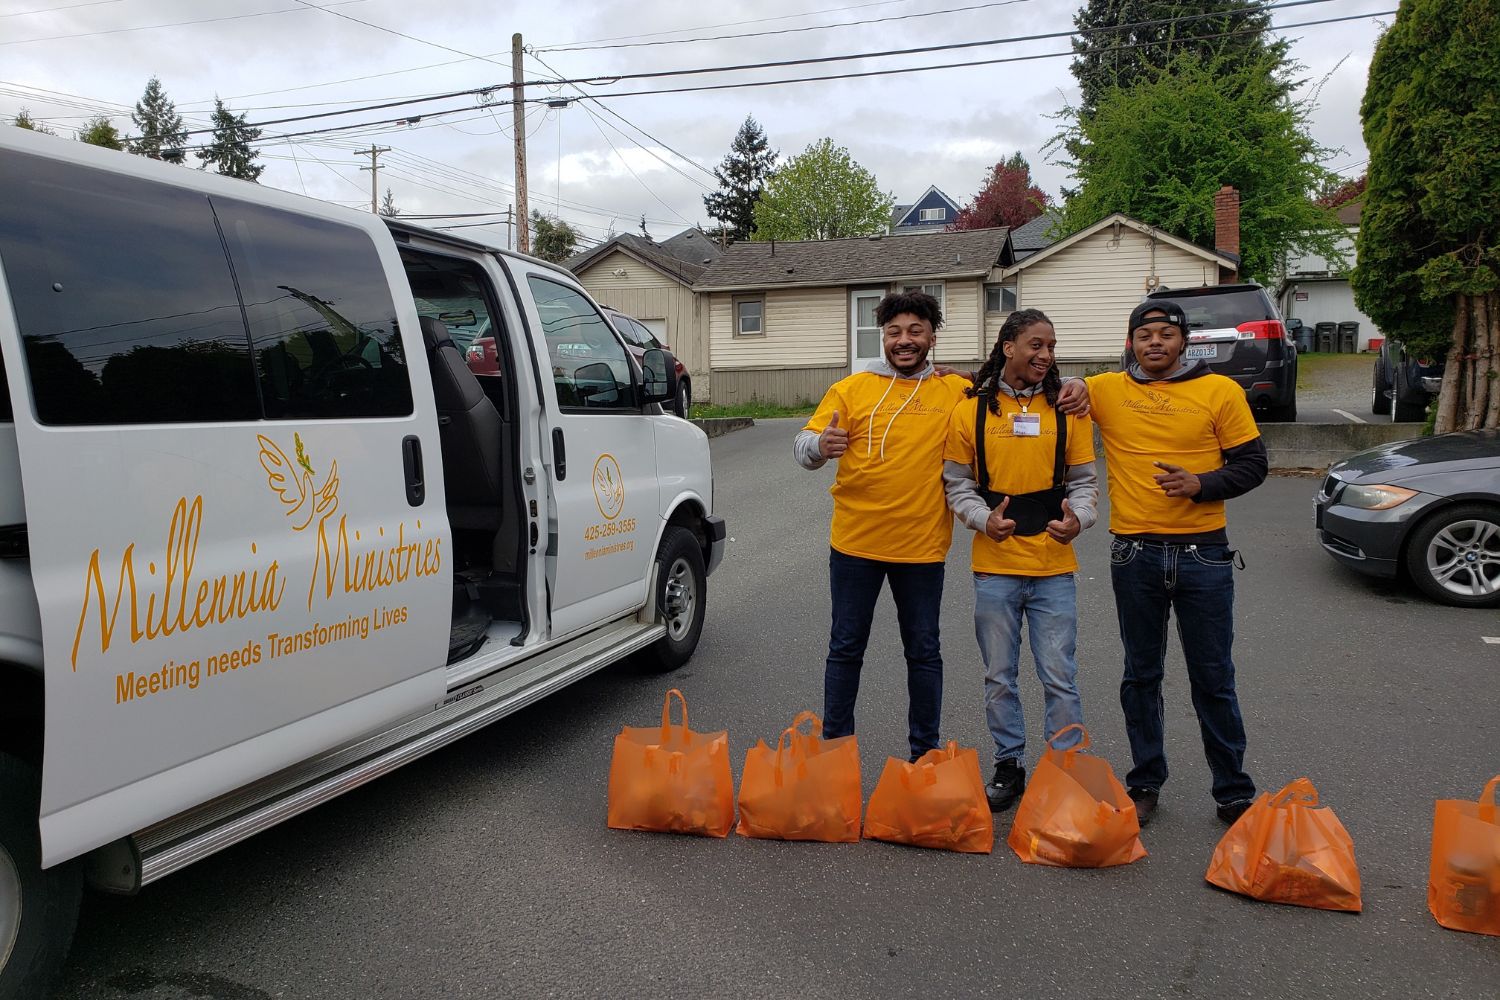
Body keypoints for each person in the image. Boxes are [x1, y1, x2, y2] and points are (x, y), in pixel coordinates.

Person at [1086, 300, 1268, 827]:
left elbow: (1254, 465)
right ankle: (1144, 782)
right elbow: (1032, 380)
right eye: (1145, 336)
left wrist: (1202, 485)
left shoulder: (1220, 392)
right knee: (1140, 676)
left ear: (1184, 341)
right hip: (1134, 552)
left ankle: (1232, 791)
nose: (1156, 343)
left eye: (1167, 334)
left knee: (1212, 677)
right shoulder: (1104, 389)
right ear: (1131, 344)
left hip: (1204, 554)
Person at [943, 309, 1099, 811]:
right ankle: (1009, 764)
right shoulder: (971, 410)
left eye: (1051, 346)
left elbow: (1084, 485)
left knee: (1059, 674)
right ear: (1008, 346)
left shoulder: (1068, 408)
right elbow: (957, 484)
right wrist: (982, 519)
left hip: (1054, 567)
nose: (1046, 355)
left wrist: (1079, 519)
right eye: (1035, 344)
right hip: (995, 567)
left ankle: (1066, 769)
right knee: (999, 676)